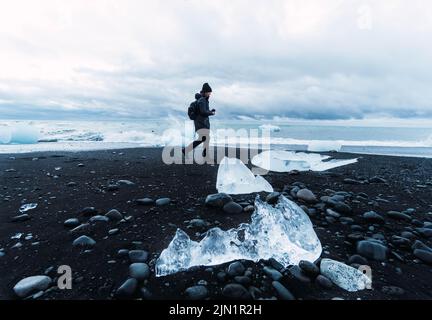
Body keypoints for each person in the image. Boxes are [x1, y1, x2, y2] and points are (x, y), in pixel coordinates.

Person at [183, 83, 216, 159]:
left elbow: (203, 111)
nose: (210, 94)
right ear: (205, 92)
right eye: (209, 92)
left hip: (202, 123)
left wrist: (210, 111)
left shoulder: (203, 100)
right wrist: (211, 113)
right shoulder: (202, 100)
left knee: (205, 138)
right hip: (201, 123)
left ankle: (188, 150)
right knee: (204, 138)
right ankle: (204, 154)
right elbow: (203, 112)